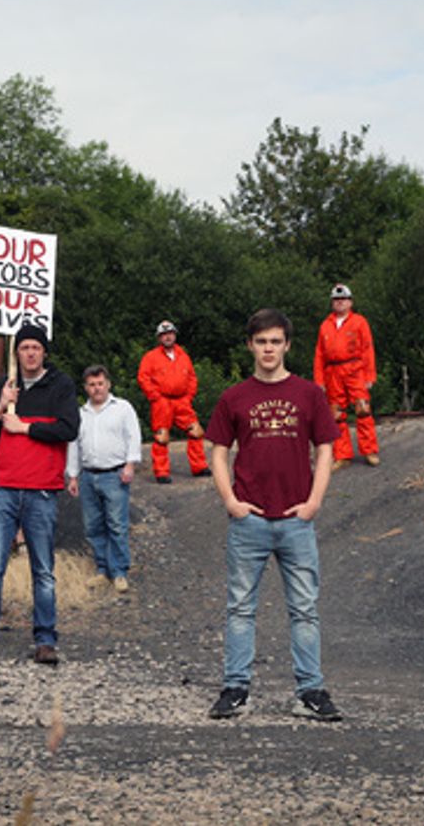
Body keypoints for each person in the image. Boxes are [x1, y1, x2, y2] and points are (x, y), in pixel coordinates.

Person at [206, 308, 343, 721]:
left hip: (296, 520)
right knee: (240, 608)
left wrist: (314, 502)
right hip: (249, 519)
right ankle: (235, 689)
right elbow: (218, 451)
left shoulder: (309, 394)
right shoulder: (234, 397)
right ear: (250, 345)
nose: (269, 349)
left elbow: (325, 449)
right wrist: (230, 501)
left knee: (305, 609)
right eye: (262, 341)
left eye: (276, 342)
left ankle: (310, 691)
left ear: (287, 345)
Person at [0, 323, 80, 668]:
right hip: (3, 486)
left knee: (42, 569)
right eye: (25, 347)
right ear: (17, 352)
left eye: (36, 347)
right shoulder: (6, 384)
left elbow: (69, 428)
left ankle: (45, 640)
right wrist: (0, 409)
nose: (30, 353)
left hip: (41, 488)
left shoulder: (60, 385)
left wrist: (25, 427)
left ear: (44, 352)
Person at [65, 365, 142, 593]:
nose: (97, 388)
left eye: (100, 383)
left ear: (108, 384)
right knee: (93, 526)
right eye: (92, 384)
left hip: (115, 474)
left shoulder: (122, 408)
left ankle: (119, 572)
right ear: (86, 388)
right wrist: (73, 476)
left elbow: (133, 436)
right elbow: (74, 446)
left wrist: (130, 464)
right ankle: (102, 569)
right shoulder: (80, 414)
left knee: (117, 525)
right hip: (88, 476)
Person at [313, 283, 380, 471]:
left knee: (363, 410)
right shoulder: (325, 325)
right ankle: (342, 455)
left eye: (343, 299)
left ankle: (369, 451)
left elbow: (367, 349)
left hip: (355, 370)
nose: (340, 302)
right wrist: (319, 380)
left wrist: (369, 375)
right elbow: (319, 355)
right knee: (336, 415)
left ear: (350, 302)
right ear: (332, 303)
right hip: (333, 373)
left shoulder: (359, 322)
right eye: (336, 299)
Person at [137, 320, 210, 484]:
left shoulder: (183, 355)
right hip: (162, 402)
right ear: (159, 338)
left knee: (196, 431)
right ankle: (161, 472)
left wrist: (189, 396)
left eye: (170, 333)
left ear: (175, 335)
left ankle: (199, 467)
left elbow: (192, 377)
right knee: (161, 437)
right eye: (163, 334)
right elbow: (143, 378)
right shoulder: (150, 357)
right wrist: (155, 396)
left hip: (182, 401)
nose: (167, 337)